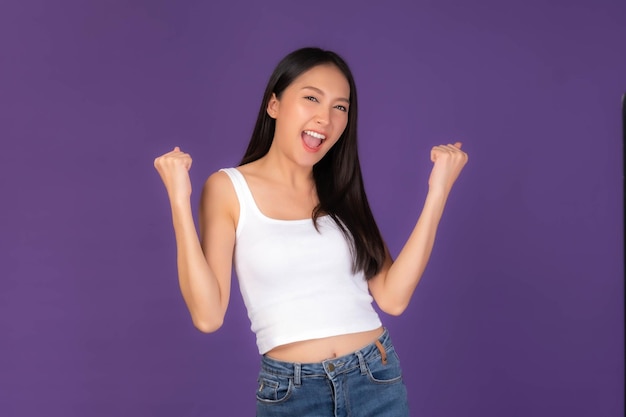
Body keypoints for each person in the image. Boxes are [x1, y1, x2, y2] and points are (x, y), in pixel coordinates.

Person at [154, 47, 468, 416]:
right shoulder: (228, 189)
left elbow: (393, 297)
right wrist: (179, 199)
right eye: (311, 98)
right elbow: (208, 316)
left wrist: (438, 191)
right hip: (291, 392)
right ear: (274, 105)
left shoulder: (341, 190)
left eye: (340, 107)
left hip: (376, 379)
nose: (326, 118)